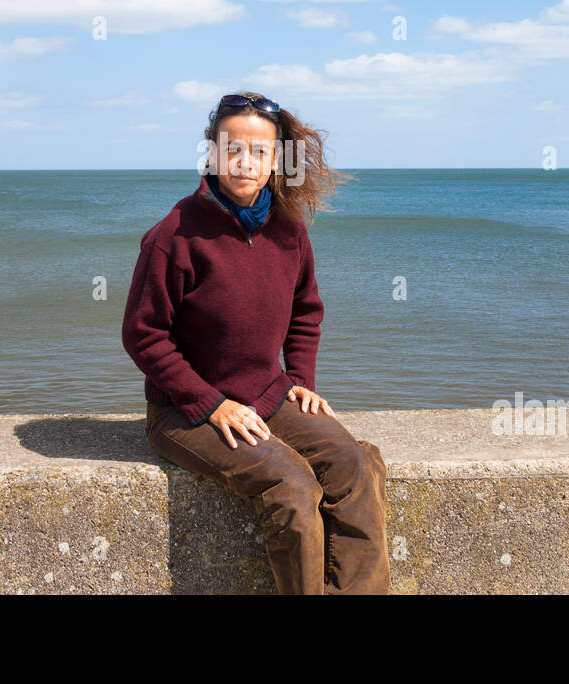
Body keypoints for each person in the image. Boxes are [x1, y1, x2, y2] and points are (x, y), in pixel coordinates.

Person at [121, 91, 390, 594]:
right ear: (212, 152)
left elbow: (306, 311)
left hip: (266, 395)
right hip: (185, 412)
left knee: (354, 462)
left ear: (276, 160)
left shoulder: (288, 230)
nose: (245, 162)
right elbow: (143, 333)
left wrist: (301, 380)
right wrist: (210, 404)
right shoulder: (173, 235)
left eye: (260, 151)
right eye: (232, 148)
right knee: (291, 485)